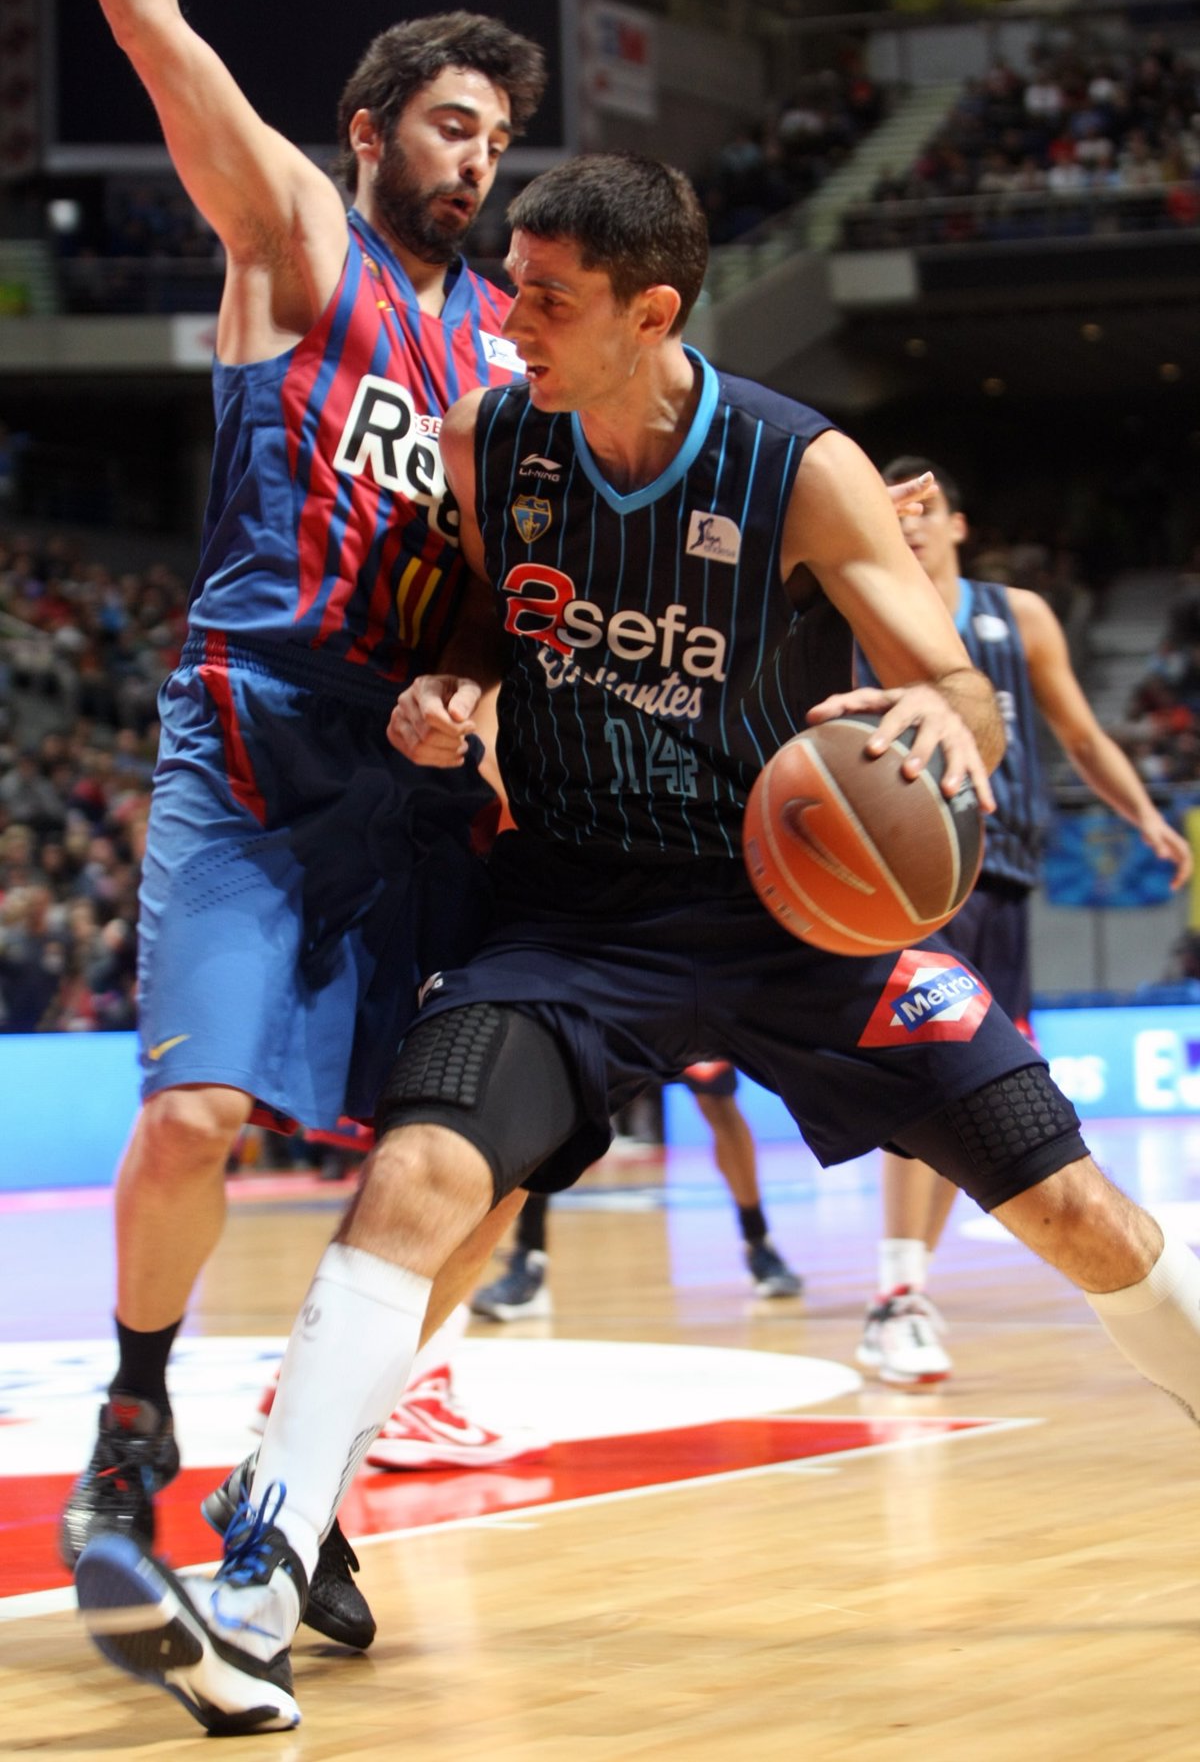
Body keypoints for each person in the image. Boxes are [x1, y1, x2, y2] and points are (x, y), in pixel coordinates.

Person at [76, 153, 1200, 1739]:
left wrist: (947, 721)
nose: (508, 318)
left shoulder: (797, 469)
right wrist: (460, 681)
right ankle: (256, 1585)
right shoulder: (495, 438)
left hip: (795, 915)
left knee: (1076, 1208)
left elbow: (954, 682)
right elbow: (487, 608)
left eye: (548, 297)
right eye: (511, 284)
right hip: (577, 917)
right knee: (421, 1175)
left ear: (650, 312)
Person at [62, 0, 547, 1655]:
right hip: (259, 735)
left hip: (420, 785)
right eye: (452, 125)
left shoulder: (511, 350)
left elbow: (514, 586)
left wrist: (479, 695)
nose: (477, 160)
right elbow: (152, 29)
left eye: (498, 140)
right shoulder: (293, 235)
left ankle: (305, 1472)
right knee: (198, 1112)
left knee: (485, 1164)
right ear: (368, 130)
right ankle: (134, 1417)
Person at [854, 457, 1193, 1387]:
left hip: (1003, 879)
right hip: (915, 881)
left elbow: (1080, 734)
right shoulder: (861, 612)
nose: (911, 522)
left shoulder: (1020, 616)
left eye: (928, 509)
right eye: (897, 510)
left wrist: (1146, 817)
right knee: (928, 1078)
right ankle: (896, 1294)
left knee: (969, 1095)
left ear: (959, 526)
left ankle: (907, 1290)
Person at [473, 1061, 801, 1319]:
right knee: (550, 1103)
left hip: (681, 999)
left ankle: (759, 1242)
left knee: (718, 1102)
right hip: (614, 997)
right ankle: (529, 1259)